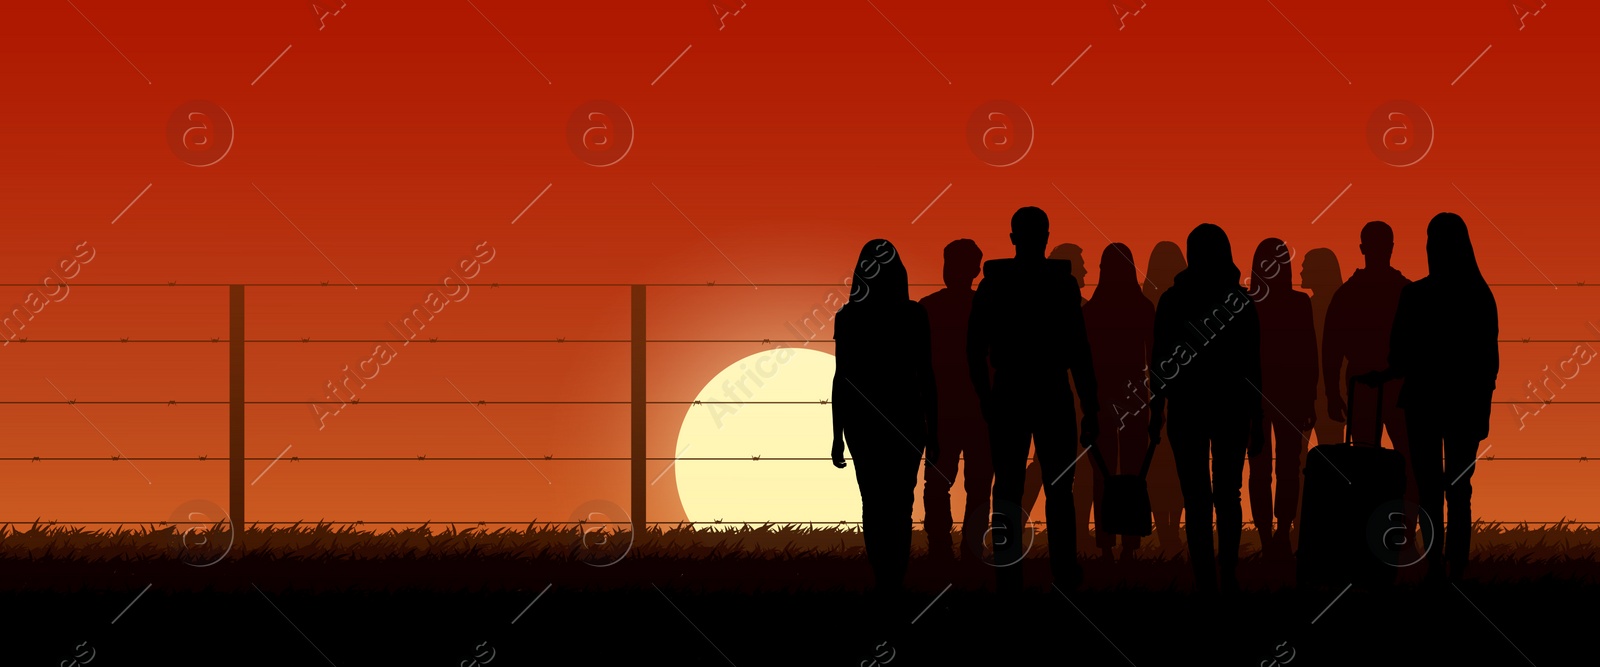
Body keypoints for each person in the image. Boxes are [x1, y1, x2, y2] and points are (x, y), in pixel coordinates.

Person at [1358, 213, 1498, 583]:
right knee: (1459, 487)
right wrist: (1482, 407)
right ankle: (1456, 565)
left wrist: (1384, 376)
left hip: (1422, 402)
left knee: (1429, 484)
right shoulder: (1480, 296)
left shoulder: (1416, 295)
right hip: (1464, 405)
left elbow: (1399, 357)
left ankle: (1436, 562)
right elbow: (1488, 362)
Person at [968, 207, 1098, 592]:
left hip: (1010, 391)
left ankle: (1009, 574)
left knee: (1008, 485)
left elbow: (974, 348)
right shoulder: (1061, 284)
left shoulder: (995, 285)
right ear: (1044, 237)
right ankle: (1062, 571)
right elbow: (1079, 350)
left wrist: (985, 396)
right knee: (1058, 487)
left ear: (1013, 238)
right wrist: (1090, 406)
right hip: (1050, 390)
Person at [1147, 224, 1262, 594]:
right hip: (1230, 408)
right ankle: (1226, 576)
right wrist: (1256, 420)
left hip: (1187, 408)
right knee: (1227, 495)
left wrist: (1155, 410)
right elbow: (1252, 366)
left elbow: (1161, 362)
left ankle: (1207, 582)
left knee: (1197, 498)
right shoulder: (1240, 302)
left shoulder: (1172, 300)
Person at [830, 239, 938, 594]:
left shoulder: (849, 318)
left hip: (864, 423)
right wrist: (934, 430)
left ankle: (884, 580)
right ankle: (894, 579)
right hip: (906, 418)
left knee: (874, 504)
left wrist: (836, 434)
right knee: (899, 504)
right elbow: (926, 375)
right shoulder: (913, 315)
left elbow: (842, 377)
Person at [1322, 222, 1415, 541]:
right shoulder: (1402, 291)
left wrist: (1334, 393)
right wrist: (1333, 394)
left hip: (1386, 386)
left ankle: (1391, 533)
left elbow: (1332, 348)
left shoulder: (1357, 293)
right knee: (1375, 462)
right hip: (1373, 386)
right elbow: (1331, 348)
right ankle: (1382, 533)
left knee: (1388, 461)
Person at [919, 239, 992, 564]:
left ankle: (941, 547)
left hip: (944, 409)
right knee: (975, 484)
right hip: (977, 409)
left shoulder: (929, 307)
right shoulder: (987, 308)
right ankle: (968, 547)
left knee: (939, 481)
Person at [1246, 238, 1318, 559]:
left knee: (1264, 467)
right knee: (1286, 466)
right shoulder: (1299, 303)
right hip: (1284, 396)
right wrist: (1310, 398)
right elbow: (1308, 356)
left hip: (1259, 397)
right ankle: (1280, 532)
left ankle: (1270, 534)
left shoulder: (1247, 304)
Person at [1083, 243, 1155, 561]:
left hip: (1100, 397)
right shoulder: (1142, 307)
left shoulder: (1091, 312)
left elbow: (1083, 363)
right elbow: (1155, 360)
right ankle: (1129, 542)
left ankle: (1106, 543)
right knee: (1133, 471)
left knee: (1104, 473)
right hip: (1135, 397)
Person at [1020, 243, 1092, 556]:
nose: (1087, 271)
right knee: (1060, 473)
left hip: (1053, 397)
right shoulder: (1075, 307)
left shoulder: (1036, 302)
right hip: (1063, 399)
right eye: (1082, 265)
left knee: (1046, 470)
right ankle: (1069, 544)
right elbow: (1081, 356)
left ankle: (1013, 532)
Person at [1142, 241, 1187, 556]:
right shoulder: (1180, 301)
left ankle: (1168, 529)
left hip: (1155, 394)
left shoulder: (1157, 302)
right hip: (1186, 396)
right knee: (1179, 468)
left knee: (1161, 468)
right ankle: (1171, 529)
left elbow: (1155, 357)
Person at [1302, 248, 1345, 452]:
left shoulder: (1310, 308)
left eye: (1306, 267)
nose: (1301, 272)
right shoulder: (1309, 306)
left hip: (1323, 394)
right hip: (1323, 392)